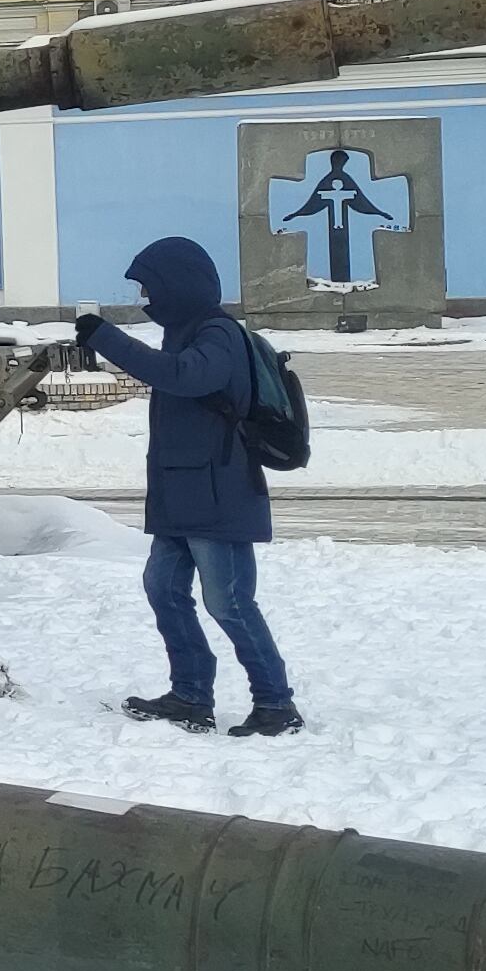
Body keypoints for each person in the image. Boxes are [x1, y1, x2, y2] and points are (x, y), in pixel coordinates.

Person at [72, 234, 299, 736]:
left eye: (149, 289)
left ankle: (276, 703)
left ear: (177, 285)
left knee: (230, 602)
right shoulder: (186, 331)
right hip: (182, 494)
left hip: (220, 493)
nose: (144, 300)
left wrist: (106, 338)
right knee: (163, 588)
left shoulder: (217, 333)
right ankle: (191, 695)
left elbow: (183, 377)